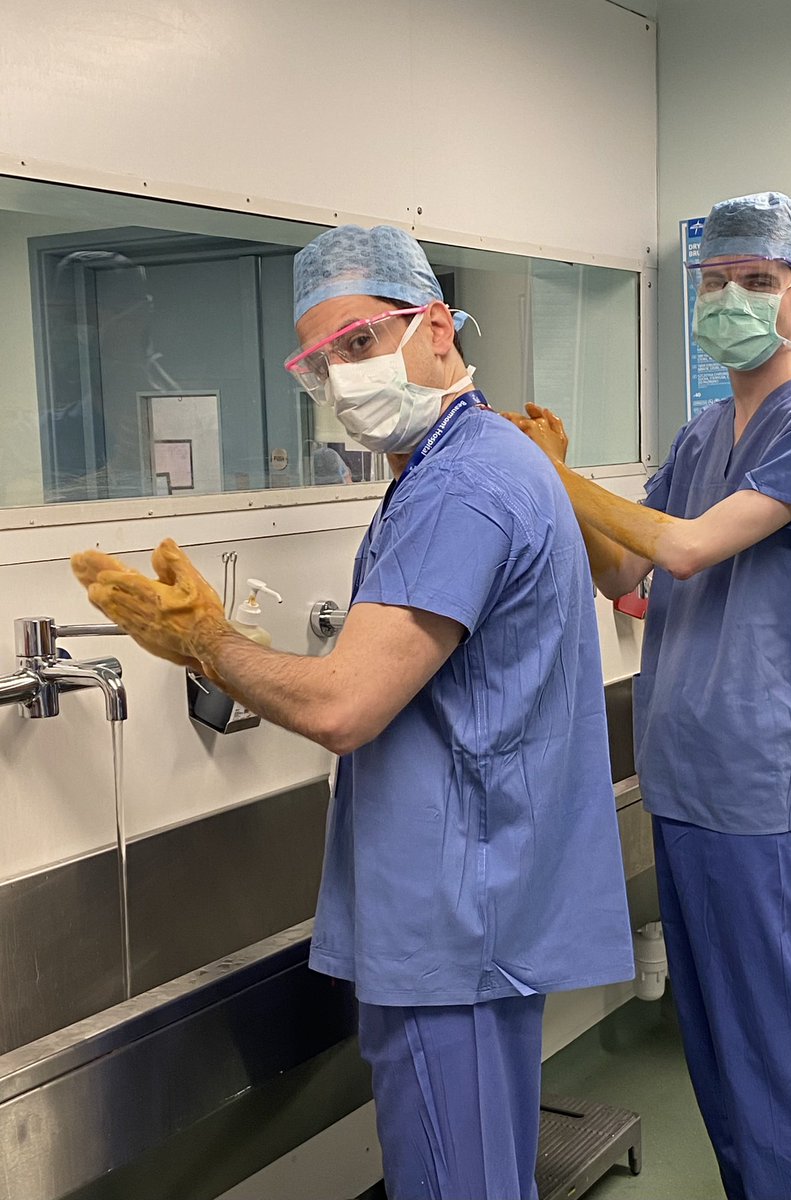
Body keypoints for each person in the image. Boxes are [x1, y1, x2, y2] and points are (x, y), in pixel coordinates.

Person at [71, 224, 634, 1200]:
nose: (343, 378)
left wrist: (208, 642)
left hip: (452, 924)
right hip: (482, 905)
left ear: (437, 332)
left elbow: (344, 707)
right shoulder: (480, 460)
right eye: (322, 361)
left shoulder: (462, 488)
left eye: (362, 343)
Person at [505, 192, 791, 1200]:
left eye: (754, 282)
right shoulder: (702, 435)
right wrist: (560, 486)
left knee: (770, 1038)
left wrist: (555, 477)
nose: (729, 300)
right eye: (713, 282)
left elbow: (688, 544)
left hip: (755, 772)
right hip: (682, 769)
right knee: (711, 1036)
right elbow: (627, 575)